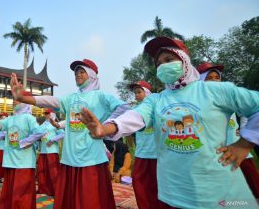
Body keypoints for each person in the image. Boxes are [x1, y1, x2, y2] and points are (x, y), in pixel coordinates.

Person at [79, 37, 259, 209]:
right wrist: (105, 129)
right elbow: (135, 117)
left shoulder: (215, 90)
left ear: (184, 60)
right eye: (159, 63)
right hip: (173, 193)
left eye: (168, 59)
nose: (163, 65)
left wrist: (245, 143)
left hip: (218, 192)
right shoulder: (156, 100)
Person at [10, 59, 128, 209]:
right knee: (69, 201)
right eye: (75, 72)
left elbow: (124, 108)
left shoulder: (100, 96)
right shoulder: (71, 98)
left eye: (81, 71)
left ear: (92, 75)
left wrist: (105, 127)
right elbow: (49, 100)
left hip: (91, 159)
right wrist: (22, 98)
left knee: (91, 202)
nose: (77, 75)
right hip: (69, 159)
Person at [197, 61, 259, 199]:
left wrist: (245, 131)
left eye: (217, 77)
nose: (214, 81)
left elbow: (249, 112)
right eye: (209, 78)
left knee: (253, 189)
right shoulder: (198, 103)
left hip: (239, 150)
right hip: (216, 155)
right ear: (200, 80)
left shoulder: (228, 95)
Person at [128, 80, 163, 208]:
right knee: (139, 183)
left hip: (156, 154)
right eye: (135, 92)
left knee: (156, 185)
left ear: (147, 92)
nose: (136, 95)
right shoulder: (134, 110)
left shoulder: (157, 107)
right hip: (141, 153)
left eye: (139, 92)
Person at [37, 108, 64, 196]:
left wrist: (52, 140)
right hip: (43, 151)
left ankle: (55, 190)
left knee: (53, 172)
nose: (46, 115)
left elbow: (63, 133)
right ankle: (43, 189)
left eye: (47, 113)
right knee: (42, 171)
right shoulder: (43, 124)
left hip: (52, 151)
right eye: (45, 113)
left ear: (52, 114)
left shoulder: (55, 124)